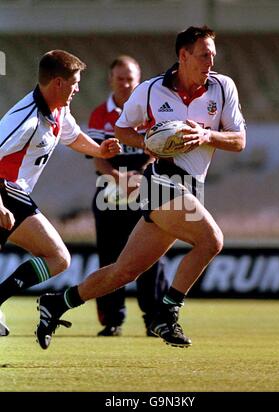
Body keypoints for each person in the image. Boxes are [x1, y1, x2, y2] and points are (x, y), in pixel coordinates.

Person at [36, 26, 246, 349]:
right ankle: (167, 313)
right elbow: (121, 130)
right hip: (162, 181)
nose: (211, 61)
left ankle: (56, 302)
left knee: (122, 272)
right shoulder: (150, 91)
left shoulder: (222, 87)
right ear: (184, 56)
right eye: (205, 55)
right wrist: (150, 142)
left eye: (213, 55)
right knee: (211, 240)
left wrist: (207, 136)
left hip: (190, 187)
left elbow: (240, 141)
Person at [0, 50, 121, 336]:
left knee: (57, 258)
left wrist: (98, 150)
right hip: (5, 191)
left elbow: (73, 136)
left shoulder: (58, 110)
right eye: (74, 82)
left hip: (12, 194)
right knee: (58, 257)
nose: (78, 88)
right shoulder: (24, 119)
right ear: (57, 83)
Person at [87, 55, 168, 337]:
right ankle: (112, 320)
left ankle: (155, 320)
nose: (125, 84)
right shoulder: (100, 114)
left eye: (130, 79)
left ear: (139, 80)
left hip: (147, 190)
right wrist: (119, 178)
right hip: (109, 195)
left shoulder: (151, 113)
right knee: (110, 257)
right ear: (111, 80)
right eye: (120, 78)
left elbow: (156, 151)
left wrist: (140, 177)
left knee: (151, 255)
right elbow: (97, 157)